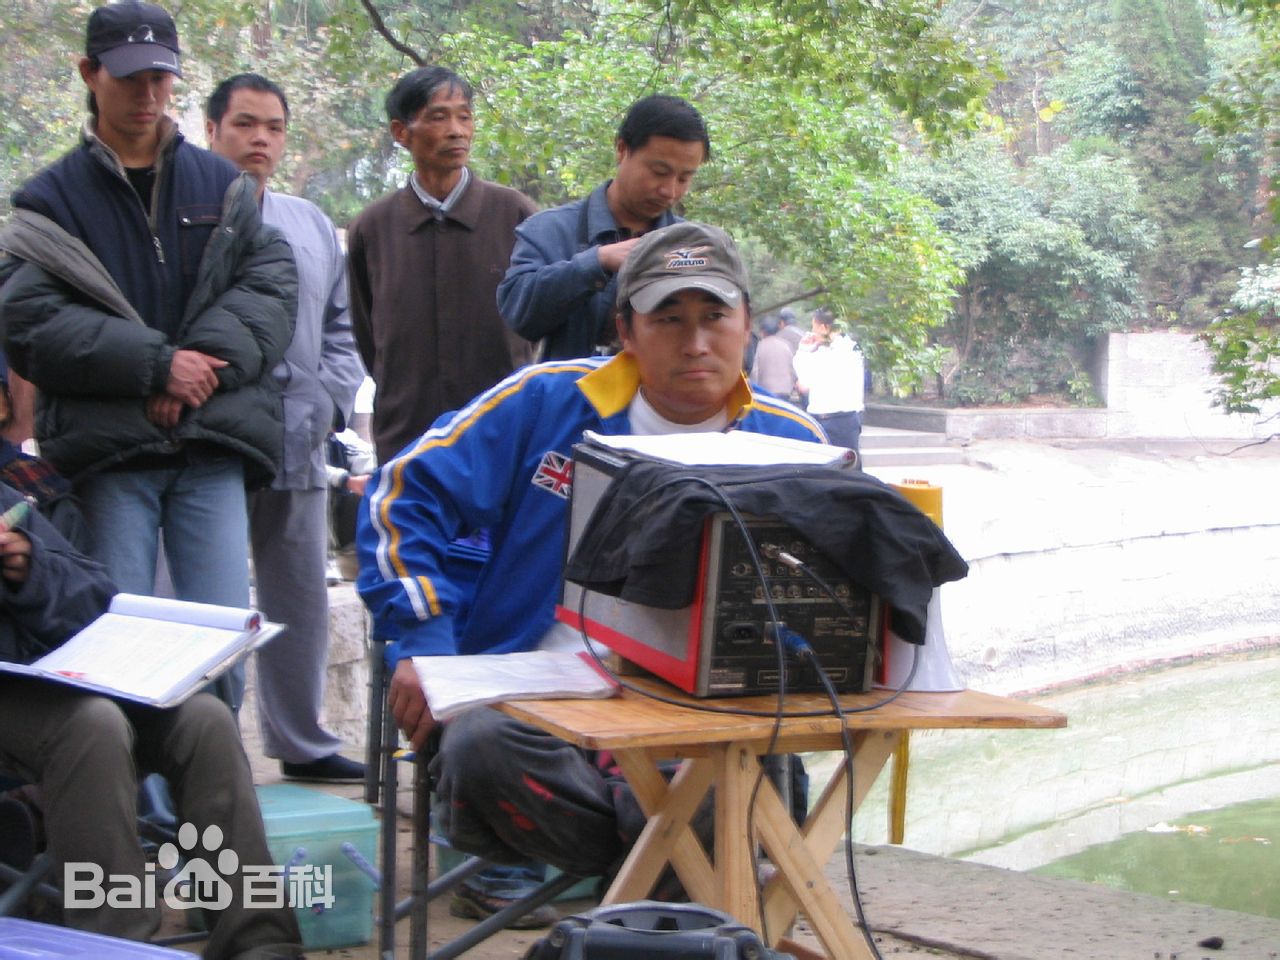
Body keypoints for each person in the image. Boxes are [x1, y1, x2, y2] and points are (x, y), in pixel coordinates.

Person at [357, 222, 825, 917]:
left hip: (712, 718)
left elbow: (840, 600)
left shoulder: (796, 444)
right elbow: (402, 494)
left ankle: (636, 903)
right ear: (626, 330)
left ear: (748, 324)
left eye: (714, 317)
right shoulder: (546, 402)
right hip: (535, 703)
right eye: (668, 319)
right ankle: (664, 888)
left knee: (728, 775)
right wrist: (422, 642)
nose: (695, 343)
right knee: (480, 747)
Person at [0, 1, 297, 713]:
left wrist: (197, 370)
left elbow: (271, 286)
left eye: (162, 78)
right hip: (111, 456)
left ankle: (213, 799)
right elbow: (32, 322)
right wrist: (156, 367)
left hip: (211, 441)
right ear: (89, 74)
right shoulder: (49, 201)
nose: (149, 95)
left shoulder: (217, 185)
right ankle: (136, 810)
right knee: (112, 637)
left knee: (225, 636)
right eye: (131, 78)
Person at [0, 482, 303, 959]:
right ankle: (112, 944)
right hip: (36, 706)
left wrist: (30, 570)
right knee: (91, 726)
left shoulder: (7, 497)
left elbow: (95, 599)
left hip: (54, 681)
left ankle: (260, 941)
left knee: (203, 718)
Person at [206, 73, 366, 783]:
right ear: (212, 131)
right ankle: (203, 757)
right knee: (203, 596)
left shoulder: (309, 222)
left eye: (272, 126)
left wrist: (330, 394)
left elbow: (342, 323)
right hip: (203, 434)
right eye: (244, 124)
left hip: (297, 430)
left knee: (297, 587)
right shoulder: (183, 213)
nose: (260, 138)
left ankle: (302, 741)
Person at [347, 66, 537, 464]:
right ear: (402, 132)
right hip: (406, 437)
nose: (457, 130)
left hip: (502, 433)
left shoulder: (514, 213)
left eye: (464, 116)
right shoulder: (373, 227)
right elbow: (369, 334)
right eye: (439, 117)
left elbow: (537, 321)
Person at [498, 95, 710, 361]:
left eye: (684, 178)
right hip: (573, 398)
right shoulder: (551, 230)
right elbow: (518, 315)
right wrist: (596, 263)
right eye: (659, 172)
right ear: (622, 149)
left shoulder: (693, 246)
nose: (669, 190)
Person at [793, 307, 866, 456]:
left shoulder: (839, 352)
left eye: (813, 327)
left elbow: (804, 384)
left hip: (839, 421)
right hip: (833, 420)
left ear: (824, 327)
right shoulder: (849, 348)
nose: (812, 332)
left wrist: (803, 351)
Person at [750, 313, 797, 399]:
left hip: (766, 391)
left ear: (762, 331)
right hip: (785, 391)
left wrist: (754, 391)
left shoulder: (759, 346)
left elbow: (754, 372)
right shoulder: (786, 345)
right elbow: (793, 370)